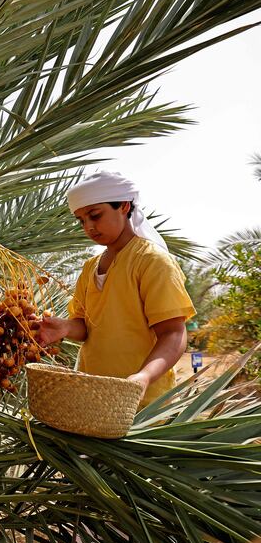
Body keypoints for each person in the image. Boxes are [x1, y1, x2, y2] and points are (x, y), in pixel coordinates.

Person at [37, 172, 195, 407]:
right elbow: (86, 328)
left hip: (143, 404)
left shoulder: (152, 261)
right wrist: (64, 327)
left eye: (95, 215)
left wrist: (144, 377)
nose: (89, 226)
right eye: (81, 220)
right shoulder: (91, 267)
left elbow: (173, 333)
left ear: (123, 206)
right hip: (94, 397)